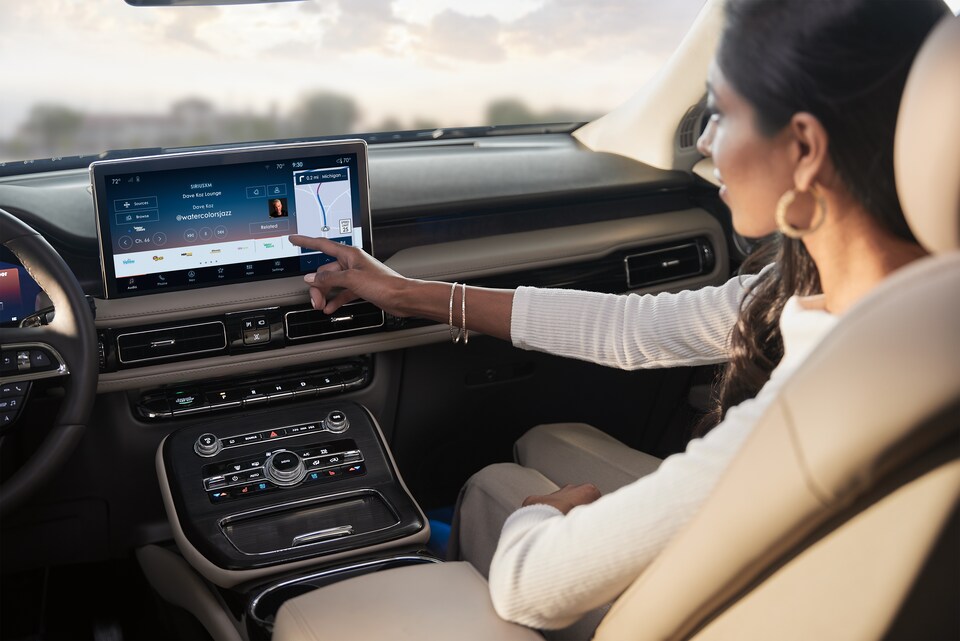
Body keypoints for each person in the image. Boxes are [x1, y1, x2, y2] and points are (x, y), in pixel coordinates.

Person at [290, 0, 948, 633]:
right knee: (551, 436)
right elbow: (633, 327)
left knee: (498, 482)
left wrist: (533, 516)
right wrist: (408, 294)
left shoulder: (804, 406)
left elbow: (529, 583)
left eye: (720, 113)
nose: (706, 145)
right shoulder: (904, 307)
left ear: (804, 148)